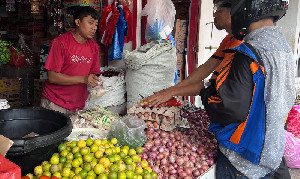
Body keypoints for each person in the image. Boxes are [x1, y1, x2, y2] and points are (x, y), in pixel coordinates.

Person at [200, 0, 294, 178]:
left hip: (242, 158)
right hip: (271, 152)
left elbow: (231, 110)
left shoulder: (247, 52)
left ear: (245, 9)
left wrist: (205, 93)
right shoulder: (284, 48)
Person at [143, 0, 243, 106]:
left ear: (234, 12)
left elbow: (211, 85)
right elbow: (207, 67)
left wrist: (171, 92)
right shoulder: (229, 40)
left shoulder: (241, 46)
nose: (214, 14)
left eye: (219, 10)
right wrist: (172, 90)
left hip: (228, 113)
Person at [41, 6, 101, 115]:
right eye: (91, 23)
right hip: (55, 103)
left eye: (96, 24)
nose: (94, 28)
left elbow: (92, 73)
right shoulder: (60, 43)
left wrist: (95, 81)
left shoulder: (94, 47)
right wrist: (83, 79)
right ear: (78, 22)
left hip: (78, 106)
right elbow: (52, 77)